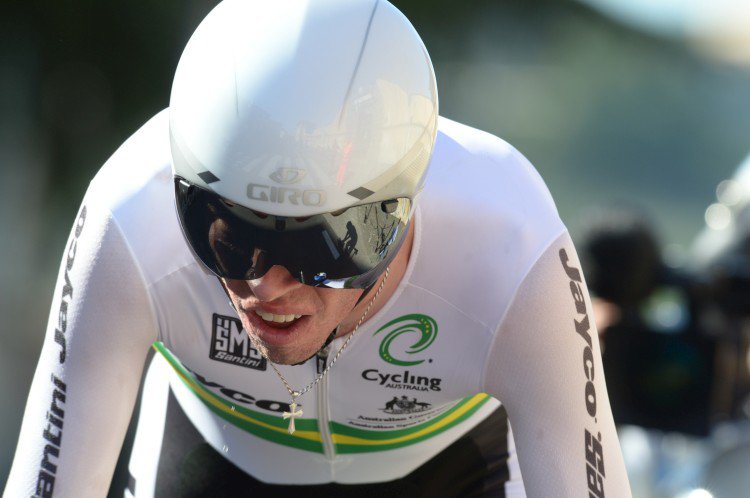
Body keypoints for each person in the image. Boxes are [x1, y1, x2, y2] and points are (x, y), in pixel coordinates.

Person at [5, 0, 632, 496]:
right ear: (183, 193)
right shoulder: (128, 217)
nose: (265, 287)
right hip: (213, 456)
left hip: (452, 469)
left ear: (401, 210)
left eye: (321, 246)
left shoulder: (511, 247)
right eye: (231, 238)